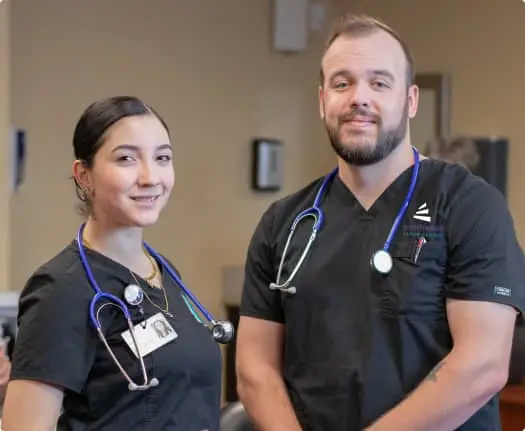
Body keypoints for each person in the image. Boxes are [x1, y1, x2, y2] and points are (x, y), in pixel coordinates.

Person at [235, 13, 525, 431]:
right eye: (342, 83)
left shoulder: (468, 205)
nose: (359, 98)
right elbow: (254, 370)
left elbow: (483, 365)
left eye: (379, 82)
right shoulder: (285, 222)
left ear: (410, 101)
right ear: (322, 101)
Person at [2, 96, 226, 430]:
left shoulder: (164, 273)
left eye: (162, 157)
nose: (151, 177)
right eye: (126, 159)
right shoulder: (62, 290)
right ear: (84, 175)